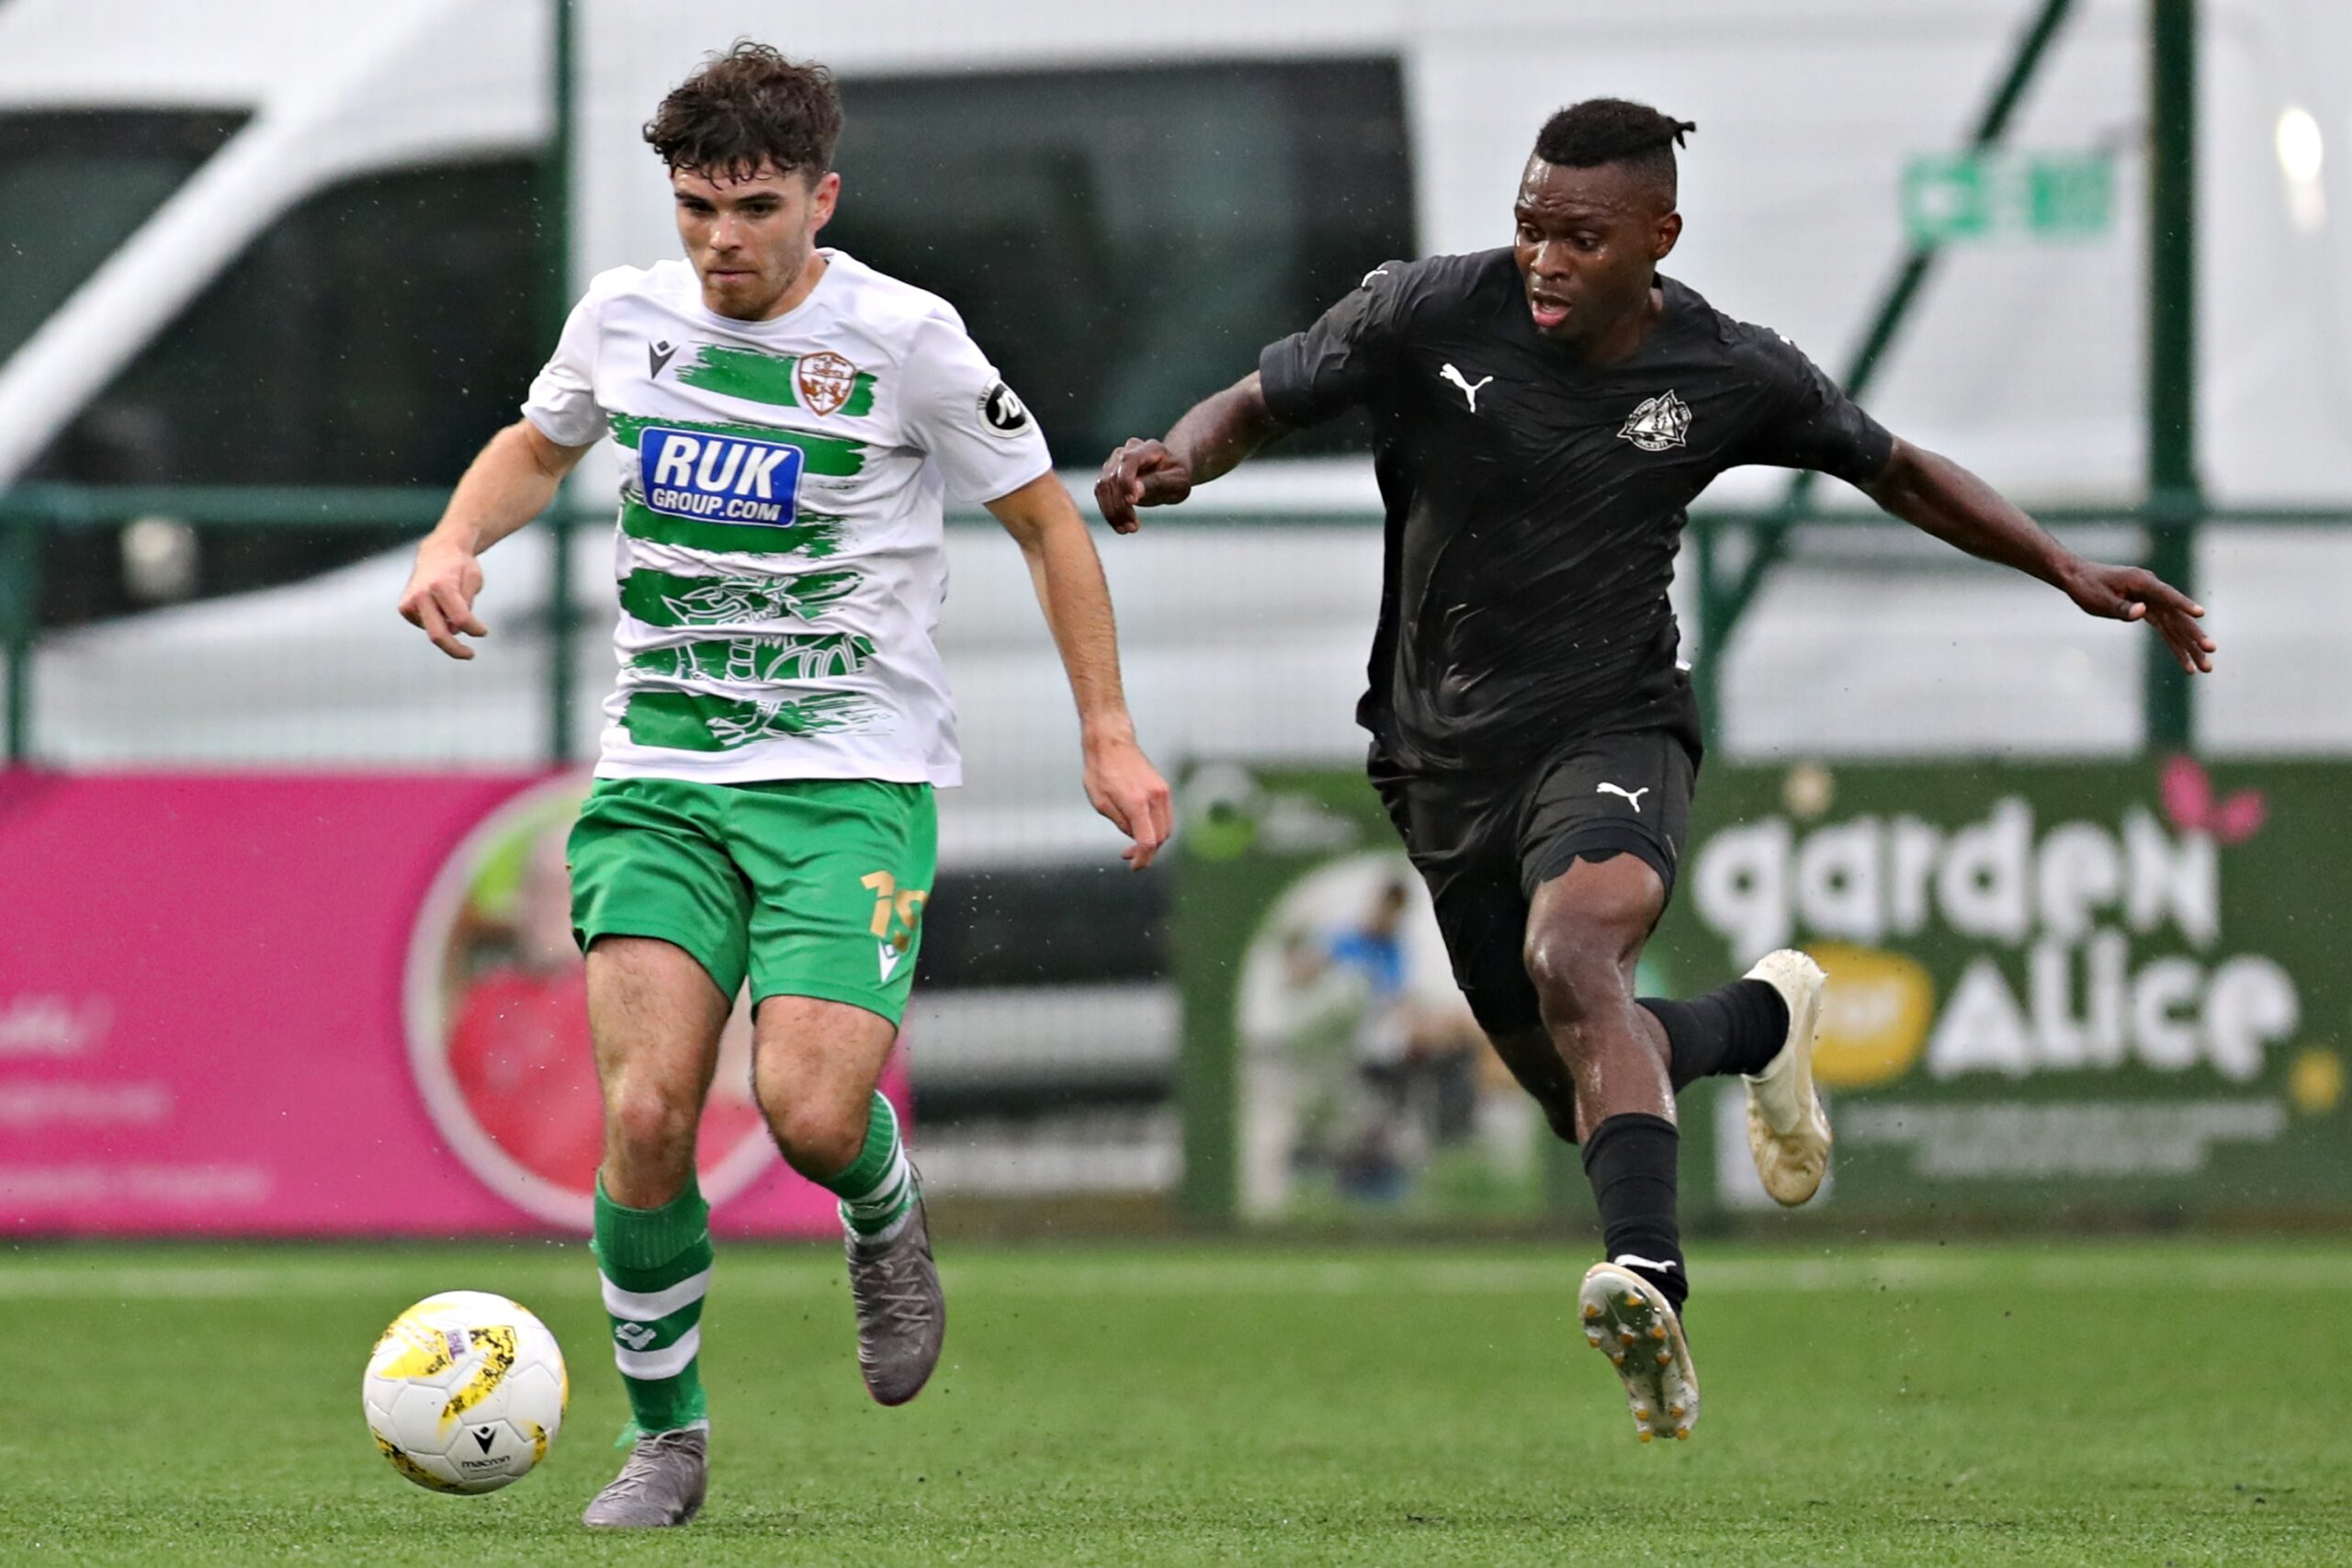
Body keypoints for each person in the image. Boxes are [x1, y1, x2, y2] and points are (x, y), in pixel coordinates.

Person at [1095, 98, 2214, 1444]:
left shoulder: (1729, 372)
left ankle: (1650, 1280)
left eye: (1579, 236)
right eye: (1528, 228)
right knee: (1573, 1081)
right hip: (1436, 756)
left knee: (1582, 963)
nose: (1544, 260)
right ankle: (1756, 1026)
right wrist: (1179, 458)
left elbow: (1899, 470)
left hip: (1612, 727)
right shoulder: (1423, 312)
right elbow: (1260, 399)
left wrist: (2065, 568)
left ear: (1657, 237)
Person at [400, 43, 1171, 1527]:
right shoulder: (623, 319)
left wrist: (1106, 731)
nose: (720, 240)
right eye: (695, 206)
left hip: (849, 781)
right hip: (663, 779)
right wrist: (454, 540)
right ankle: (667, 1440)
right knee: (640, 1121)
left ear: (822, 197)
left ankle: (883, 1209)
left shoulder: (909, 339)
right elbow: (533, 444)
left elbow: (1048, 526)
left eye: (752, 206)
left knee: (812, 1113)